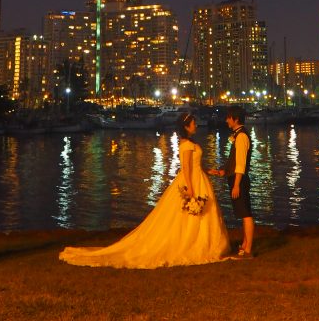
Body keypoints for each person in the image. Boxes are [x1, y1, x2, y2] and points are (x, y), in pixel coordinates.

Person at [59, 112, 230, 268]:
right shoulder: (186, 145)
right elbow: (185, 167)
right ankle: (191, 243)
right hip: (191, 181)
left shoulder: (191, 143)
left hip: (199, 177)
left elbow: (195, 164)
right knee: (185, 215)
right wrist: (191, 190)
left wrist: (209, 171)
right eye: (193, 123)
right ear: (186, 126)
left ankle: (200, 241)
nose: (196, 125)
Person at [210, 105, 254, 258]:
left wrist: (236, 184)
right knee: (243, 213)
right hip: (236, 178)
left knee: (246, 214)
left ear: (235, 119)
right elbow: (234, 161)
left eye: (229, 117)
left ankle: (248, 250)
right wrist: (223, 171)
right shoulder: (238, 135)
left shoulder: (241, 137)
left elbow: (240, 164)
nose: (226, 120)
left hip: (239, 180)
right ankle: (244, 244)